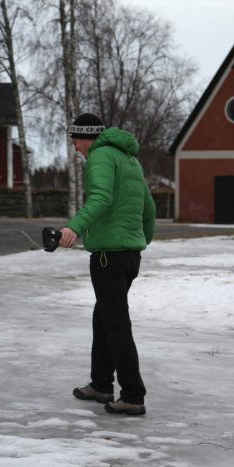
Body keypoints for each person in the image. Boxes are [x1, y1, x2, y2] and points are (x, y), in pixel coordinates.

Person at [59, 113, 156, 416]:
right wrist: (141, 239)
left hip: (108, 256)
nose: (75, 146)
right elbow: (149, 206)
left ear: (87, 136)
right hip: (127, 254)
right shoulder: (129, 159)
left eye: (76, 139)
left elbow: (100, 197)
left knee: (115, 324)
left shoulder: (99, 157)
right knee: (104, 317)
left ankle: (133, 395)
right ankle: (101, 384)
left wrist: (74, 227)